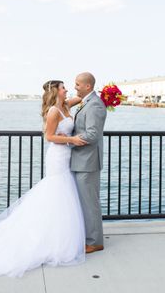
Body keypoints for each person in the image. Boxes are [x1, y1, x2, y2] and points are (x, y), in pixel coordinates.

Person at [0, 79, 88, 278]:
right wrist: (72, 139)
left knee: (63, 193)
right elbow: (49, 136)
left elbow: (83, 96)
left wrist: (108, 94)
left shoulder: (65, 105)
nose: (67, 90)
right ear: (56, 91)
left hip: (67, 156)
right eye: (64, 87)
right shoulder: (53, 112)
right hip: (57, 156)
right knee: (57, 192)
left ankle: (56, 236)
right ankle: (48, 238)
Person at [70, 72, 107, 254]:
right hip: (81, 160)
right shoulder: (86, 102)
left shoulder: (94, 105)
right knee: (84, 201)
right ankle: (89, 237)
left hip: (88, 161)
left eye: (77, 84)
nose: (74, 87)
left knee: (90, 202)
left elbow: (92, 134)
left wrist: (69, 140)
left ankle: (95, 242)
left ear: (88, 86)